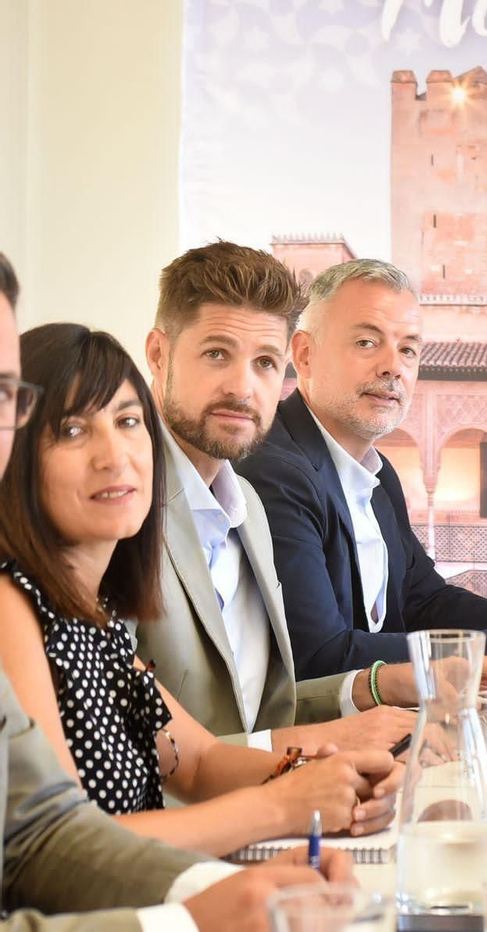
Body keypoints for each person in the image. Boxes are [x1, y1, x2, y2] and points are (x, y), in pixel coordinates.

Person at [0, 251, 359, 932]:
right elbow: (53, 845)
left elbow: (197, 759)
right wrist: (279, 809)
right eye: (72, 430)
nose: (115, 455)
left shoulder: (94, 612)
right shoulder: (13, 603)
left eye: (127, 422)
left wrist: (328, 774)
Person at [133, 242, 429, 755]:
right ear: (159, 355)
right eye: (217, 354)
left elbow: (258, 710)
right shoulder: (120, 506)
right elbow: (124, 754)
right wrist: (312, 754)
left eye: (265, 362)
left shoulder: (246, 505)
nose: (242, 388)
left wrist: (373, 688)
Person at [237, 259, 487, 679]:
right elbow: (320, 658)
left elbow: (424, 601)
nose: (394, 366)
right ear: (304, 355)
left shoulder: (378, 475)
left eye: (407, 349)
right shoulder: (274, 472)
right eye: (367, 342)